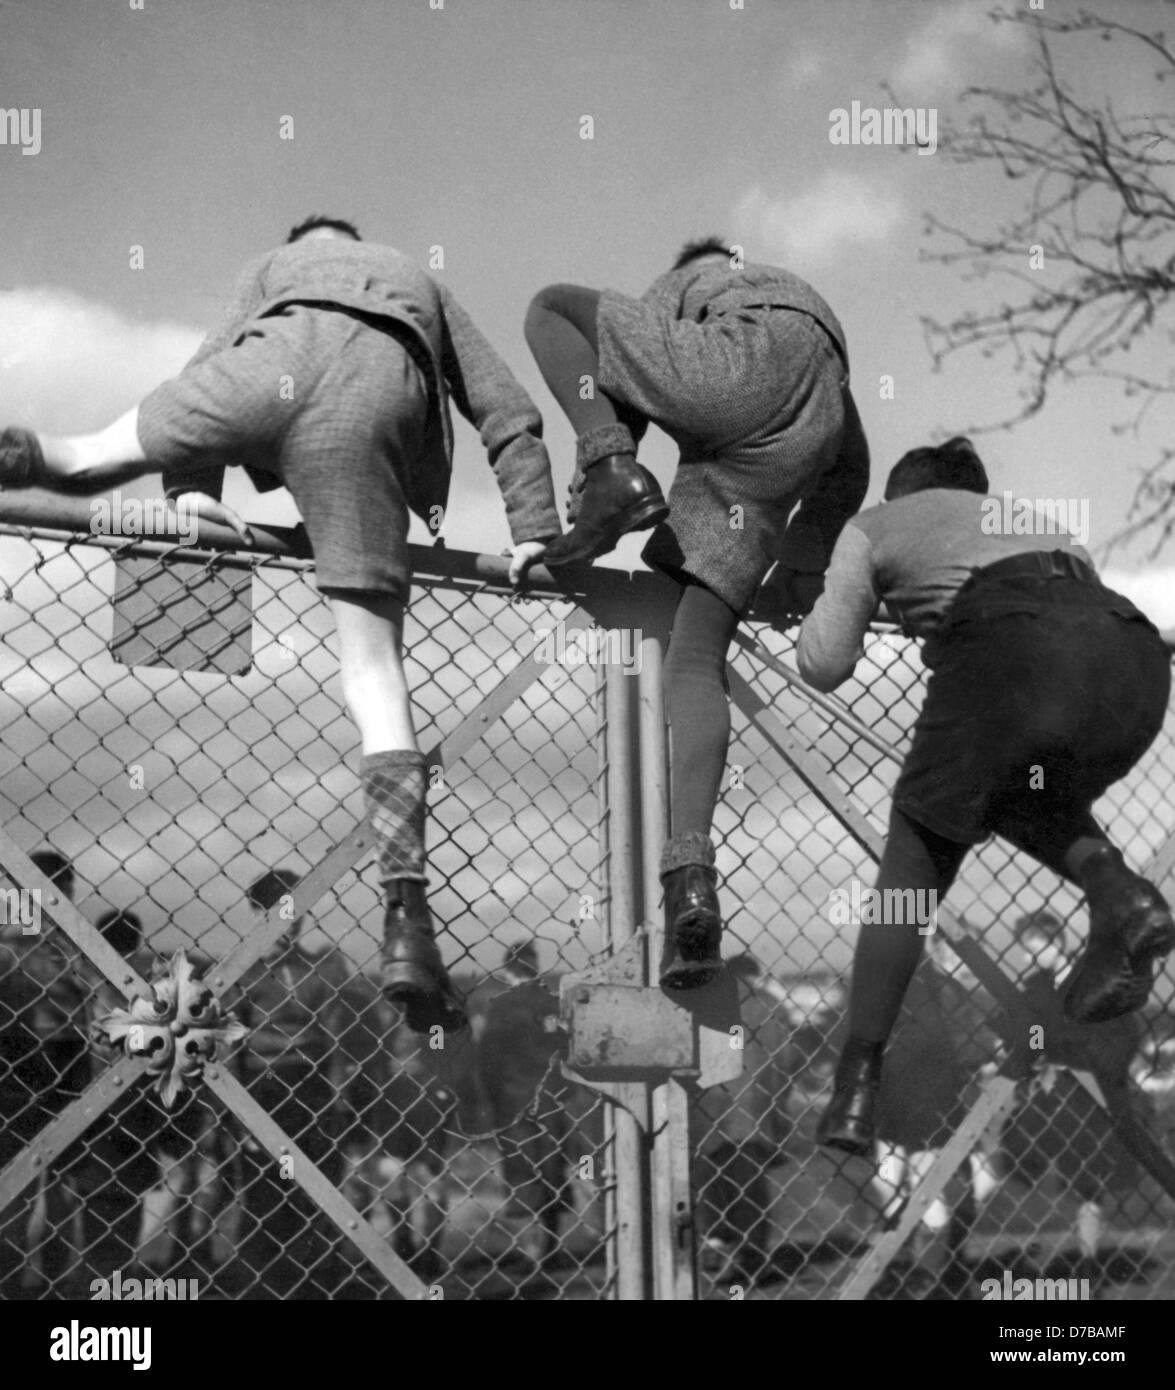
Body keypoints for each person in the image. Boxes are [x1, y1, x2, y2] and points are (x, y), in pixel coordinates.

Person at [0, 216, 563, 1031]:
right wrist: (533, 528)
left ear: (305, 242)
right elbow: (505, 407)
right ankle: (406, 918)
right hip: (372, 401)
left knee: (79, 456)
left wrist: (192, 496)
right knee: (375, 676)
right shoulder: (413, 275)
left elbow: (212, 368)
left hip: (265, 371)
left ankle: (21, 455)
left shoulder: (271, 267)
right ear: (356, 239)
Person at [797, 438, 1173, 1155]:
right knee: (1012, 790)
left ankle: (855, 1086)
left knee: (907, 878)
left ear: (900, 491)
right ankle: (1117, 893)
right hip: (1135, 663)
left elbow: (824, 662)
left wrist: (828, 595)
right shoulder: (1039, 525)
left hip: (1009, 657)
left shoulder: (876, 523)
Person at [524, 237, 869, 990]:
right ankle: (690, 877)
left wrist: (598, 474)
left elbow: (621, 371)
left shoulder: (688, 283)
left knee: (551, 306)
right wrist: (797, 568)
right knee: (694, 659)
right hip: (803, 436)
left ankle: (608, 470)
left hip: (733, 381)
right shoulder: (790, 292)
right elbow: (851, 466)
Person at [231, 868, 353, 1298]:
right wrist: (240, 1117)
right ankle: (266, 1287)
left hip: (311, 1091)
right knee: (265, 1198)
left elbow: (335, 1038)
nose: (291, 920)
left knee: (317, 1194)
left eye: (298, 910)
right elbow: (230, 1050)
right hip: (262, 1090)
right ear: (259, 913)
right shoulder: (240, 972)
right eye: (281, 911)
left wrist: (336, 1098)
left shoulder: (316, 970)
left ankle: (316, 1286)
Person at [995, 911, 1141, 1269]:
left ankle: (1088, 1262)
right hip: (1052, 1092)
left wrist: (1084, 1059)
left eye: (1032, 948)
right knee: (1026, 1166)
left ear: (1055, 941)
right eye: (1023, 950)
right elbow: (1032, 1037)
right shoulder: (1036, 988)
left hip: (1094, 1089)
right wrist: (1037, 1052)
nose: (1026, 957)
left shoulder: (1095, 981)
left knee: (1090, 1184)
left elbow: (1123, 1032)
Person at [472, 941, 600, 1282]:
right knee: (552, 1170)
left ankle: (532, 1252)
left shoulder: (499, 1006)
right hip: (554, 1099)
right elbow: (571, 1047)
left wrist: (488, 1100)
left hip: (515, 1102)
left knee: (522, 1172)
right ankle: (551, 1247)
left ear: (507, 970)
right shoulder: (552, 1003)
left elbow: (487, 1057)